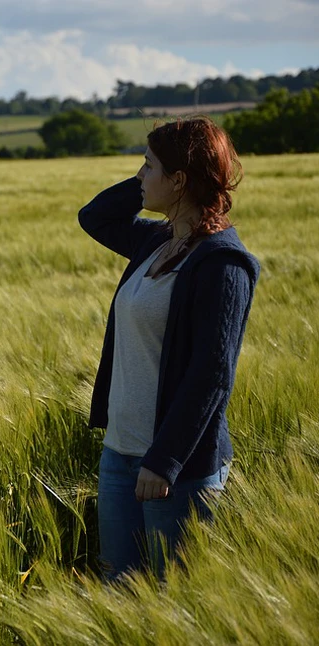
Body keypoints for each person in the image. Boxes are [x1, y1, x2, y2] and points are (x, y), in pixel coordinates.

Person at [78, 117, 259, 582]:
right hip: (119, 455)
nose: (140, 175)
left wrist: (165, 461)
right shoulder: (155, 241)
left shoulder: (222, 263)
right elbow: (94, 216)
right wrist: (151, 178)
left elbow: (212, 375)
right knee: (122, 593)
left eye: (149, 166)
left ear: (178, 180)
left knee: (175, 603)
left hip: (174, 471)